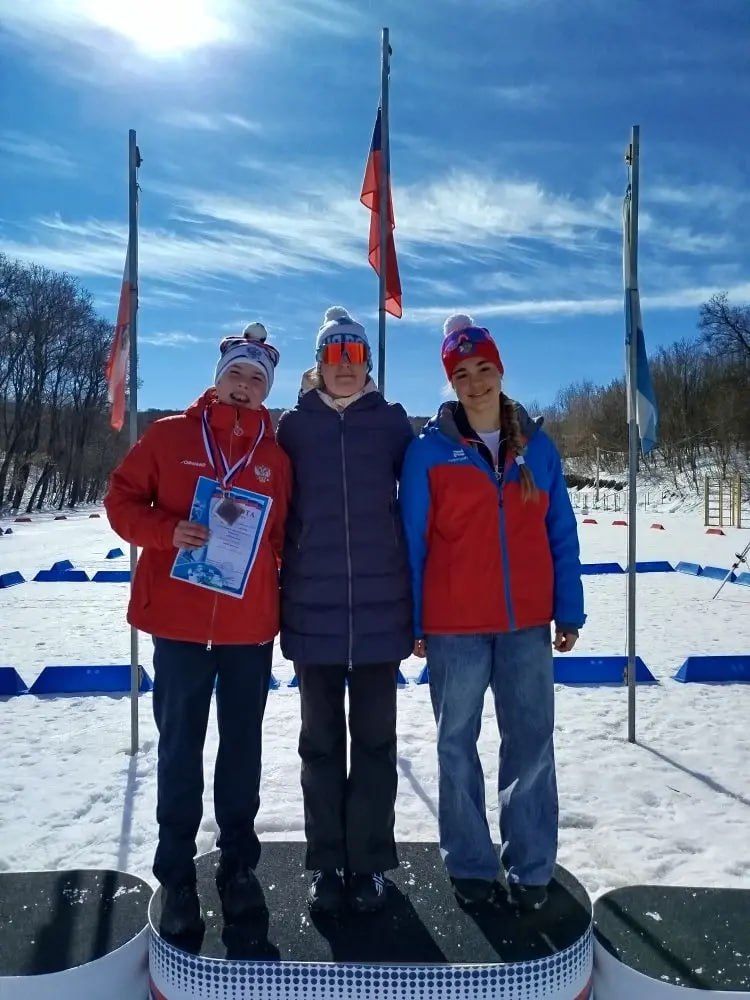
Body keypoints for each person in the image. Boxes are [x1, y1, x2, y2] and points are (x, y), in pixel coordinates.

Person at [104, 323, 290, 938]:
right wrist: (166, 531)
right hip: (180, 627)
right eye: (236, 374)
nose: (244, 386)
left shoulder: (275, 457)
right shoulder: (168, 438)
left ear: (267, 389)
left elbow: (285, 539)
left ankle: (238, 868)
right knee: (179, 751)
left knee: (242, 753)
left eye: (256, 379)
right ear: (218, 379)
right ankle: (176, 875)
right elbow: (121, 501)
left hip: (247, 630)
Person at [399, 313, 584, 912]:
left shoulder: (538, 445)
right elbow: (413, 539)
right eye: (462, 372)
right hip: (454, 627)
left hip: (527, 622)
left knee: (531, 744)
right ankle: (471, 864)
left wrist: (568, 607)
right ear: (450, 381)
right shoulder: (428, 452)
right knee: (457, 744)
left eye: (483, 368)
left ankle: (531, 866)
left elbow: (561, 532)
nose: (475, 381)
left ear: (500, 370)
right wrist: (418, 621)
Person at [276, 306, 414, 916]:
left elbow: (420, 506)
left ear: (368, 363)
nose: (344, 368)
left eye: (354, 356)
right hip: (313, 610)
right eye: (334, 357)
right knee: (321, 746)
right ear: (318, 365)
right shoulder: (293, 428)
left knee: (378, 746)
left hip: (383, 612)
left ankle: (370, 865)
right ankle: (328, 864)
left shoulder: (392, 426)